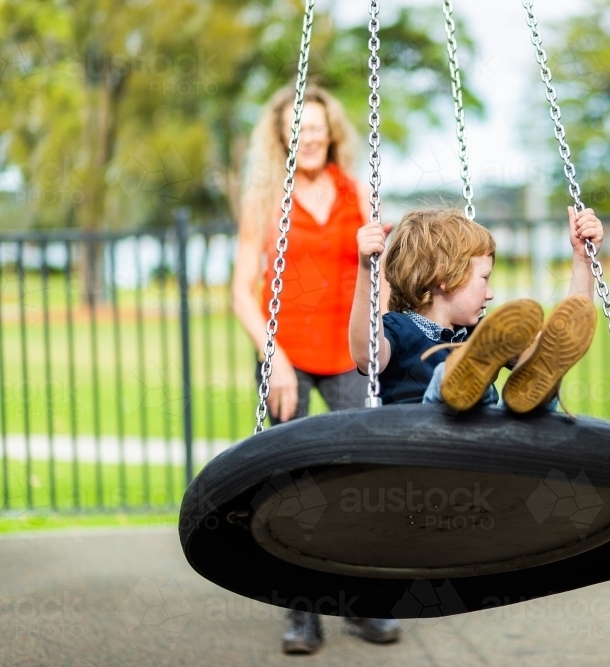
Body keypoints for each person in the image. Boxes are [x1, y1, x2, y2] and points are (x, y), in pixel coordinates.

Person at [231, 85, 400, 654]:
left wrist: (379, 334)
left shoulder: (359, 192)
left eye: (319, 128)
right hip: (287, 355)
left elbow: (379, 278)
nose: (310, 137)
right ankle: (302, 614)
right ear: (282, 136)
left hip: (346, 351)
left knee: (363, 479)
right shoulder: (265, 198)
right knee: (291, 487)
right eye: (299, 129)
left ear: (332, 133)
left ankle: (362, 601)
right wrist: (273, 356)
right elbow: (241, 292)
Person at [348, 207, 603, 411]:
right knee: (445, 376)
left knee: (535, 368)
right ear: (444, 277)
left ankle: (538, 391)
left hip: (481, 446)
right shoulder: (398, 329)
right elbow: (367, 355)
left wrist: (583, 260)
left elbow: (558, 345)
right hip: (418, 444)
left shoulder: (481, 333)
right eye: (484, 278)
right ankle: (460, 377)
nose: (490, 293)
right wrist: (366, 269)